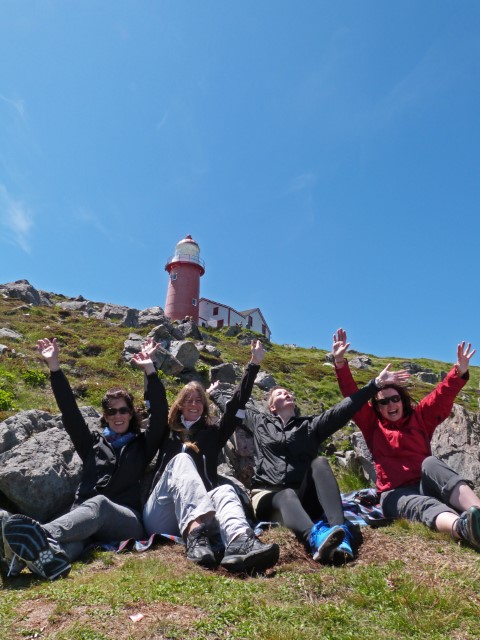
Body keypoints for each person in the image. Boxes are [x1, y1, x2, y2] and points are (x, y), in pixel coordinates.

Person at [2, 337, 167, 580]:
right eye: (111, 411)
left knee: (99, 503)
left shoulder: (143, 444)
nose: (118, 415)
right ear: (105, 416)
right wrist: (55, 368)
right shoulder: (91, 443)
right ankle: (20, 562)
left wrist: (151, 371)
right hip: (83, 520)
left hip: (124, 519)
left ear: (131, 414)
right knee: (70, 549)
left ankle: (36, 535)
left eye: (123, 410)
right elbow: (70, 412)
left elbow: (161, 414)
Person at [244, 342, 406, 564]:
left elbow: (343, 409)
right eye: (281, 393)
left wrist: (375, 385)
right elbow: (236, 403)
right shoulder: (259, 422)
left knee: (319, 462)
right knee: (285, 495)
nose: (287, 393)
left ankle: (340, 533)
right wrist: (251, 367)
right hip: (268, 496)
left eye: (288, 391)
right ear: (272, 407)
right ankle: (315, 538)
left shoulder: (309, 426)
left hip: (302, 497)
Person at [332, 328, 480, 550]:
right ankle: (463, 529)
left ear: (402, 400)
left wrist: (458, 372)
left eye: (395, 399)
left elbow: (441, 396)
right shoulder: (372, 425)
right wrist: (340, 362)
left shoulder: (419, 418)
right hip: (394, 493)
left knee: (430, 462)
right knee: (423, 505)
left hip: (424, 482)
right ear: (377, 408)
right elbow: (352, 395)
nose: (391, 405)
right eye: (384, 402)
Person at [143, 340, 279, 573]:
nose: (193, 404)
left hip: (203, 512)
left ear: (205, 407)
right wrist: (150, 370)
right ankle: (195, 536)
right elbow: (155, 405)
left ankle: (240, 542)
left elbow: (237, 403)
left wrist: (254, 365)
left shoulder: (212, 434)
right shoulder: (166, 430)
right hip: (161, 514)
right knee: (182, 460)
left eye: (198, 400)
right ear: (179, 404)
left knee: (226, 490)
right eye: (188, 399)